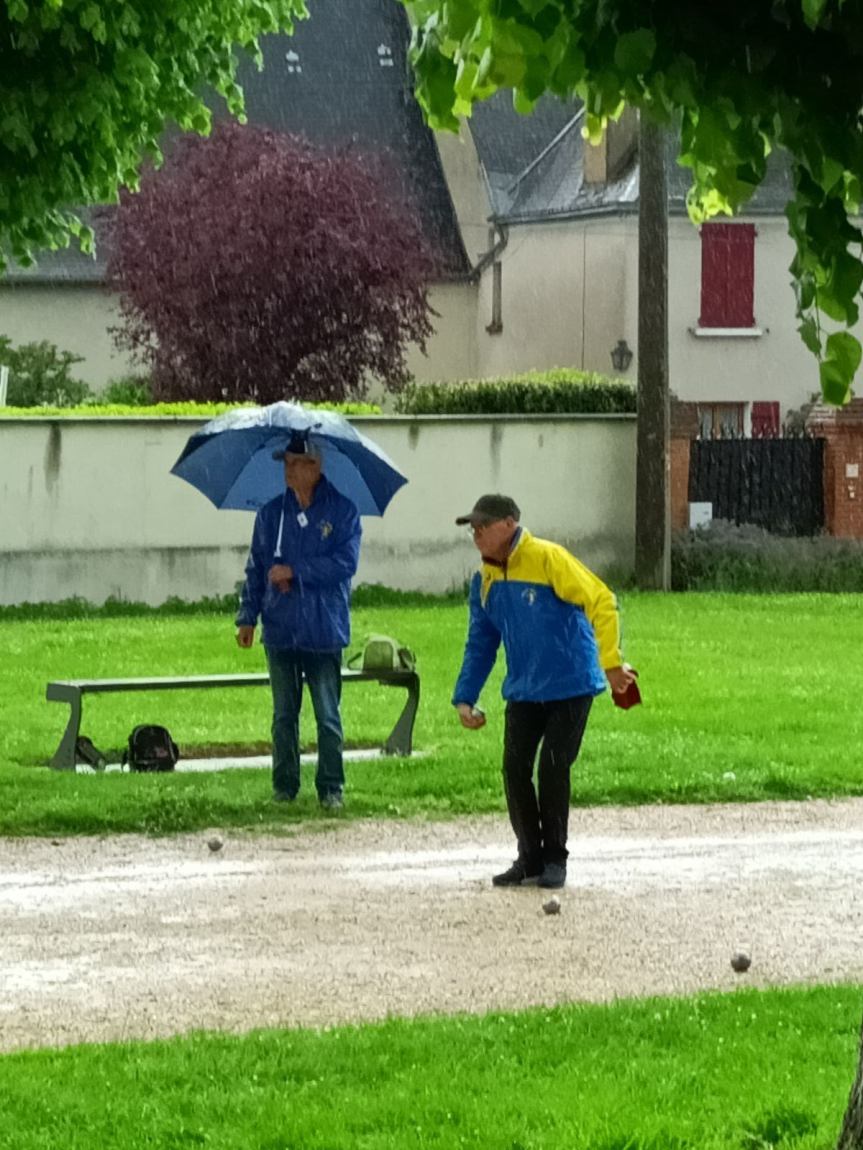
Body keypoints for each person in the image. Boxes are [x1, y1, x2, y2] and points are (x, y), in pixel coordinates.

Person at [452, 494, 635, 889]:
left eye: (483, 526)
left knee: (553, 767)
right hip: (524, 689)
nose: (476, 535)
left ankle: (555, 858)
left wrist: (611, 661)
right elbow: (480, 642)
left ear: (509, 524)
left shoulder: (548, 558)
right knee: (514, 770)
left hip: (571, 684)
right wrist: (465, 696)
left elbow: (601, 600)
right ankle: (529, 858)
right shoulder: (483, 581)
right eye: (473, 529)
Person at [235, 433, 362, 809]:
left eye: (296, 463)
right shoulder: (271, 514)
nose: (288, 471)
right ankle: (284, 786)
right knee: (283, 716)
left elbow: (345, 564)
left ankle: (331, 787)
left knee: (327, 715)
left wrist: (297, 571)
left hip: (324, 630)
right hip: (281, 628)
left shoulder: (343, 512)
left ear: (315, 466)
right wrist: (247, 616)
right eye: (286, 463)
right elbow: (256, 568)